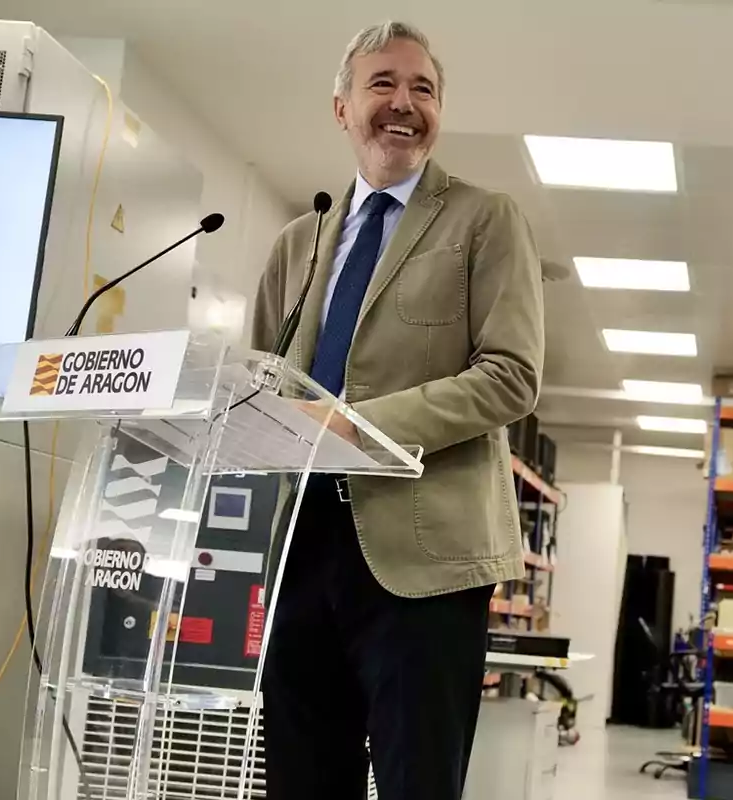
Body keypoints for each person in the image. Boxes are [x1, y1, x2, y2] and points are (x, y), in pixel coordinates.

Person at [250, 20, 545, 800]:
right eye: (383, 84)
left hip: (425, 560)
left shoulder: (484, 220)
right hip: (302, 550)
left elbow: (511, 377)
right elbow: (261, 383)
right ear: (341, 107)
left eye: (424, 89)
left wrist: (357, 423)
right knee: (303, 779)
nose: (404, 104)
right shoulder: (298, 242)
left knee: (419, 782)